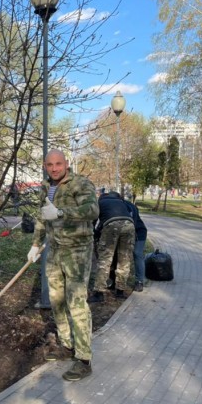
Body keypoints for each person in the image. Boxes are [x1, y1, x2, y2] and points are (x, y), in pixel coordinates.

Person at [27, 149, 99, 382]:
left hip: (77, 251)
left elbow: (92, 210)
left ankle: (84, 359)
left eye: (59, 163)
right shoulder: (45, 187)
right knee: (56, 300)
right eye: (50, 164)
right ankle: (67, 346)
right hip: (55, 249)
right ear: (45, 166)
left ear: (66, 164)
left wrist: (60, 212)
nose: (55, 168)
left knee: (76, 302)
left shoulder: (80, 184)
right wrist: (36, 244)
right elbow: (41, 217)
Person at [89, 190, 135, 301]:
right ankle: (120, 291)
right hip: (129, 225)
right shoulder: (120, 202)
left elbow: (93, 222)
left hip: (112, 225)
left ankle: (99, 293)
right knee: (124, 260)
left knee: (105, 260)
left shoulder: (99, 203)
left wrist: (94, 234)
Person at [125, 198, 147, 292]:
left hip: (139, 232)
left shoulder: (129, 206)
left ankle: (139, 281)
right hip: (125, 232)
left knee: (137, 254)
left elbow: (133, 220)